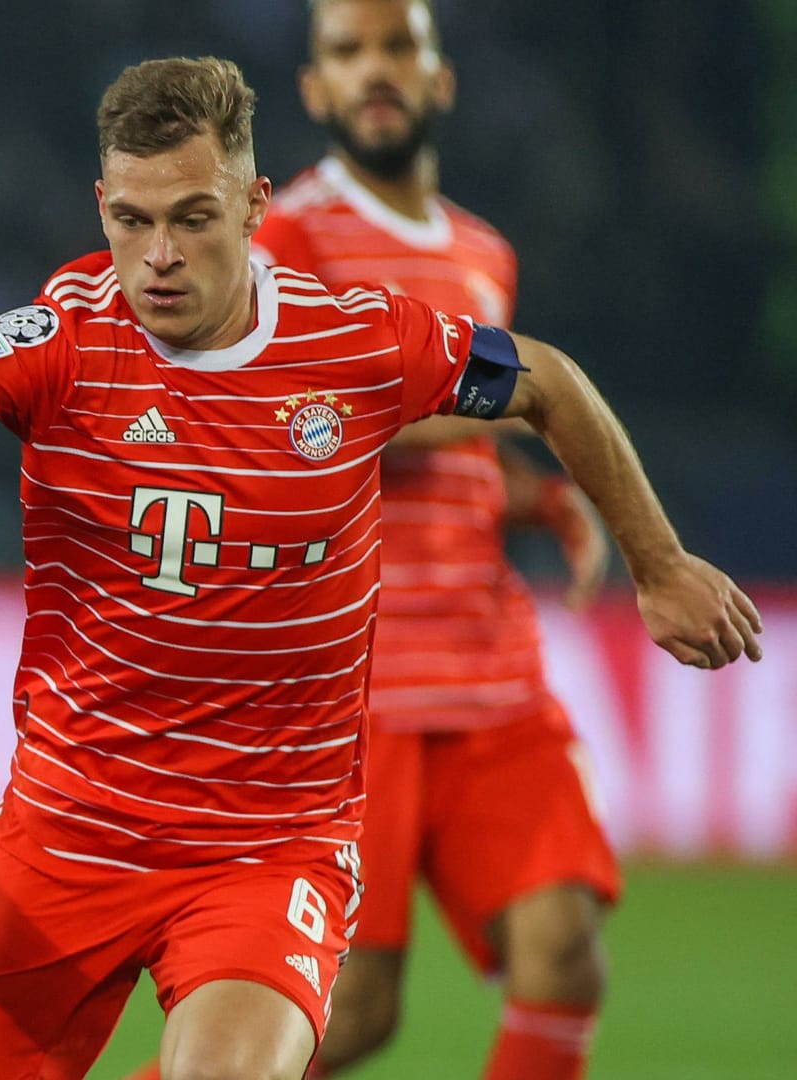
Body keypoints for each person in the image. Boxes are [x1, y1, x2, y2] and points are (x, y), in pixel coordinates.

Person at [0, 55, 761, 1080]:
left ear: (253, 206)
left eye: (192, 218)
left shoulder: (357, 345)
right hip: (69, 832)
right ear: (102, 204)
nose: (158, 254)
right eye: (131, 220)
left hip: (269, 849)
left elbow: (546, 381)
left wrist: (657, 562)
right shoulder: (66, 337)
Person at [199, 3, 620, 1077]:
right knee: (353, 1013)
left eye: (398, 48)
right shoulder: (286, 240)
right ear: (314, 91)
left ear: (440, 81)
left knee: (565, 951)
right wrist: (510, 403)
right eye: (348, 53)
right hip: (357, 684)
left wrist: (531, 494)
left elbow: (446, 451)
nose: (374, 70)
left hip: (486, 670)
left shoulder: (486, 253)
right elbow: (279, 420)